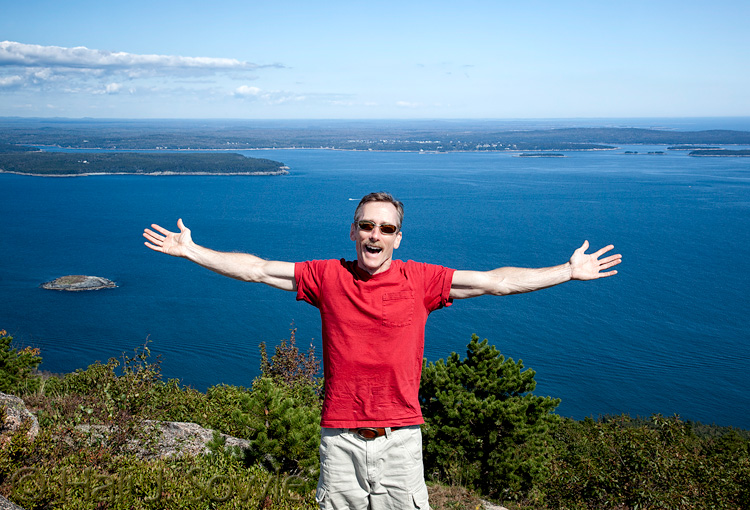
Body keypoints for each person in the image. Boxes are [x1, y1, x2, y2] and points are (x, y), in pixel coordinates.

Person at [143, 191, 621, 510]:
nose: (375, 235)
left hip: (401, 439)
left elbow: (496, 282)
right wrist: (193, 251)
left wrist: (567, 271)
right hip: (340, 439)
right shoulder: (328, 276)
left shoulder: (421, 280)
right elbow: (259, 269)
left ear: (398, 237)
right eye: (366, 226)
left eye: (386, 229)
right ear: (353, 232)